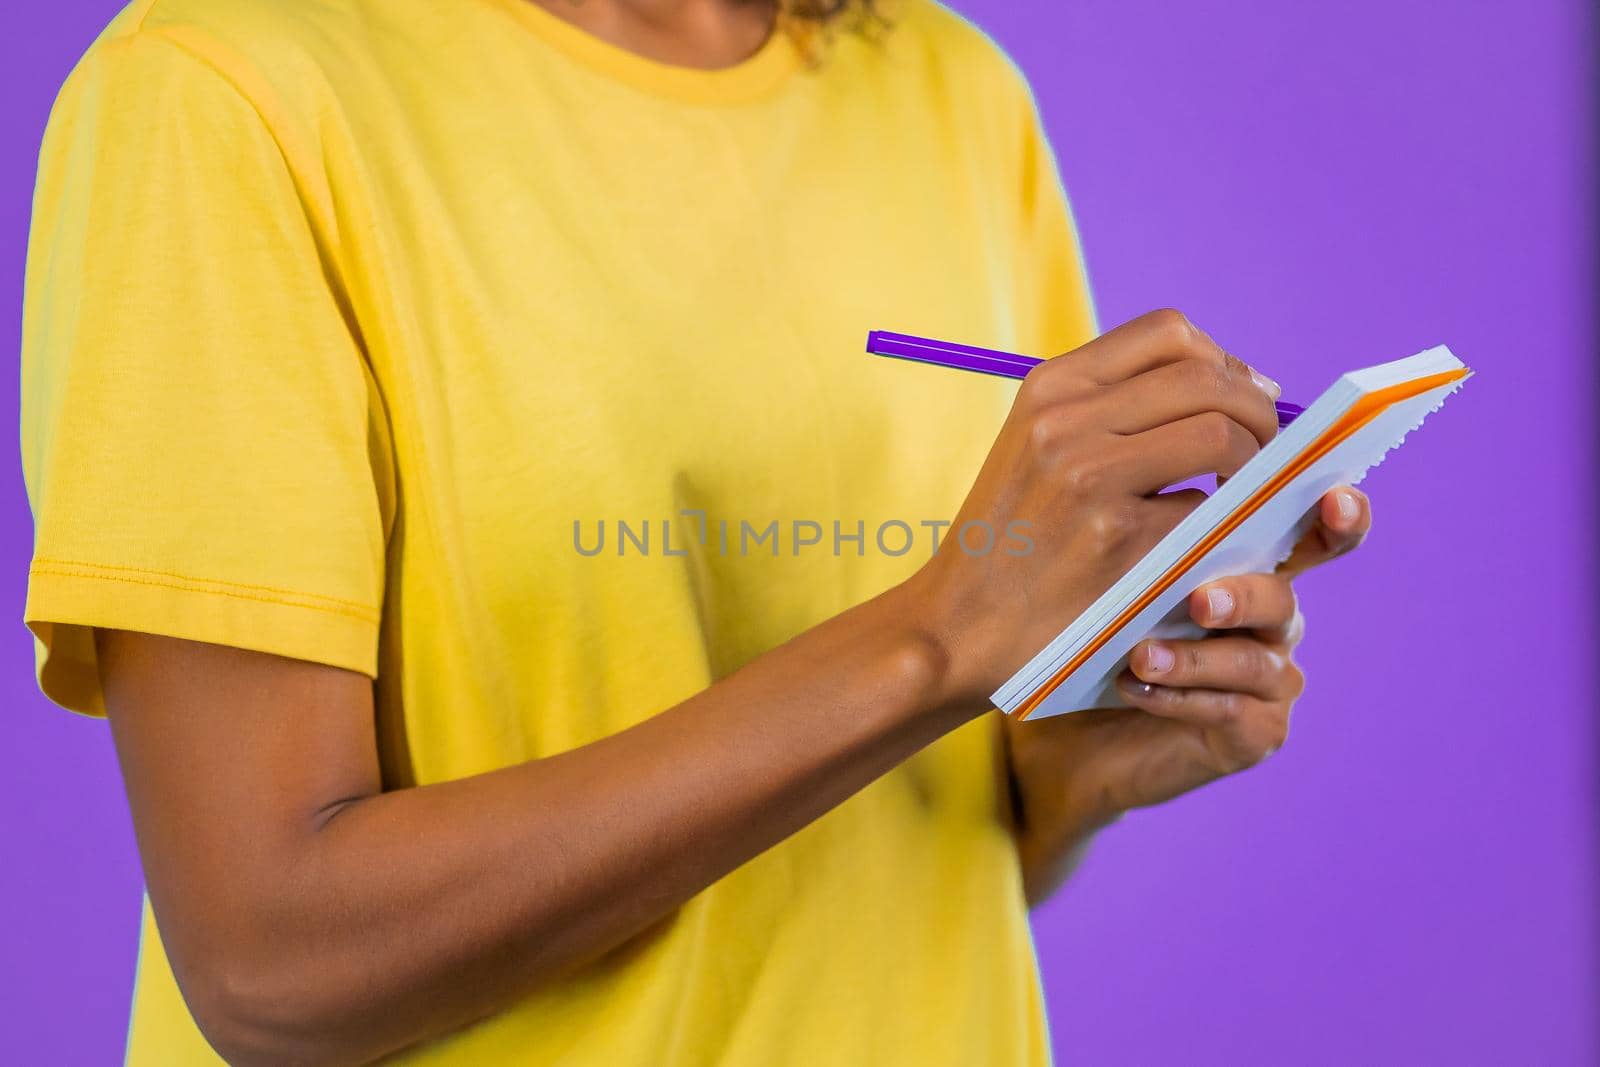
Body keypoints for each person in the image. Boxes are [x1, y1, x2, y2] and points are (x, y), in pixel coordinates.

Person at [19, 0, 1371, 1064]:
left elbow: (943, 842)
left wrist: (1096, 759)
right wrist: (931, 643)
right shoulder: (222, 88)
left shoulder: (954, 90)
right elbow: (272, 971)